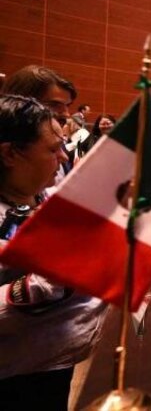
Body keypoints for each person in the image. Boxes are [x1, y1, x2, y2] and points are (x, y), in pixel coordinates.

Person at [0, 95, 107, 408]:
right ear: (10, 154)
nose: (63, 157)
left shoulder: (44, 197)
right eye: (52, 149)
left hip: (53, 366)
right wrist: (51, 277)